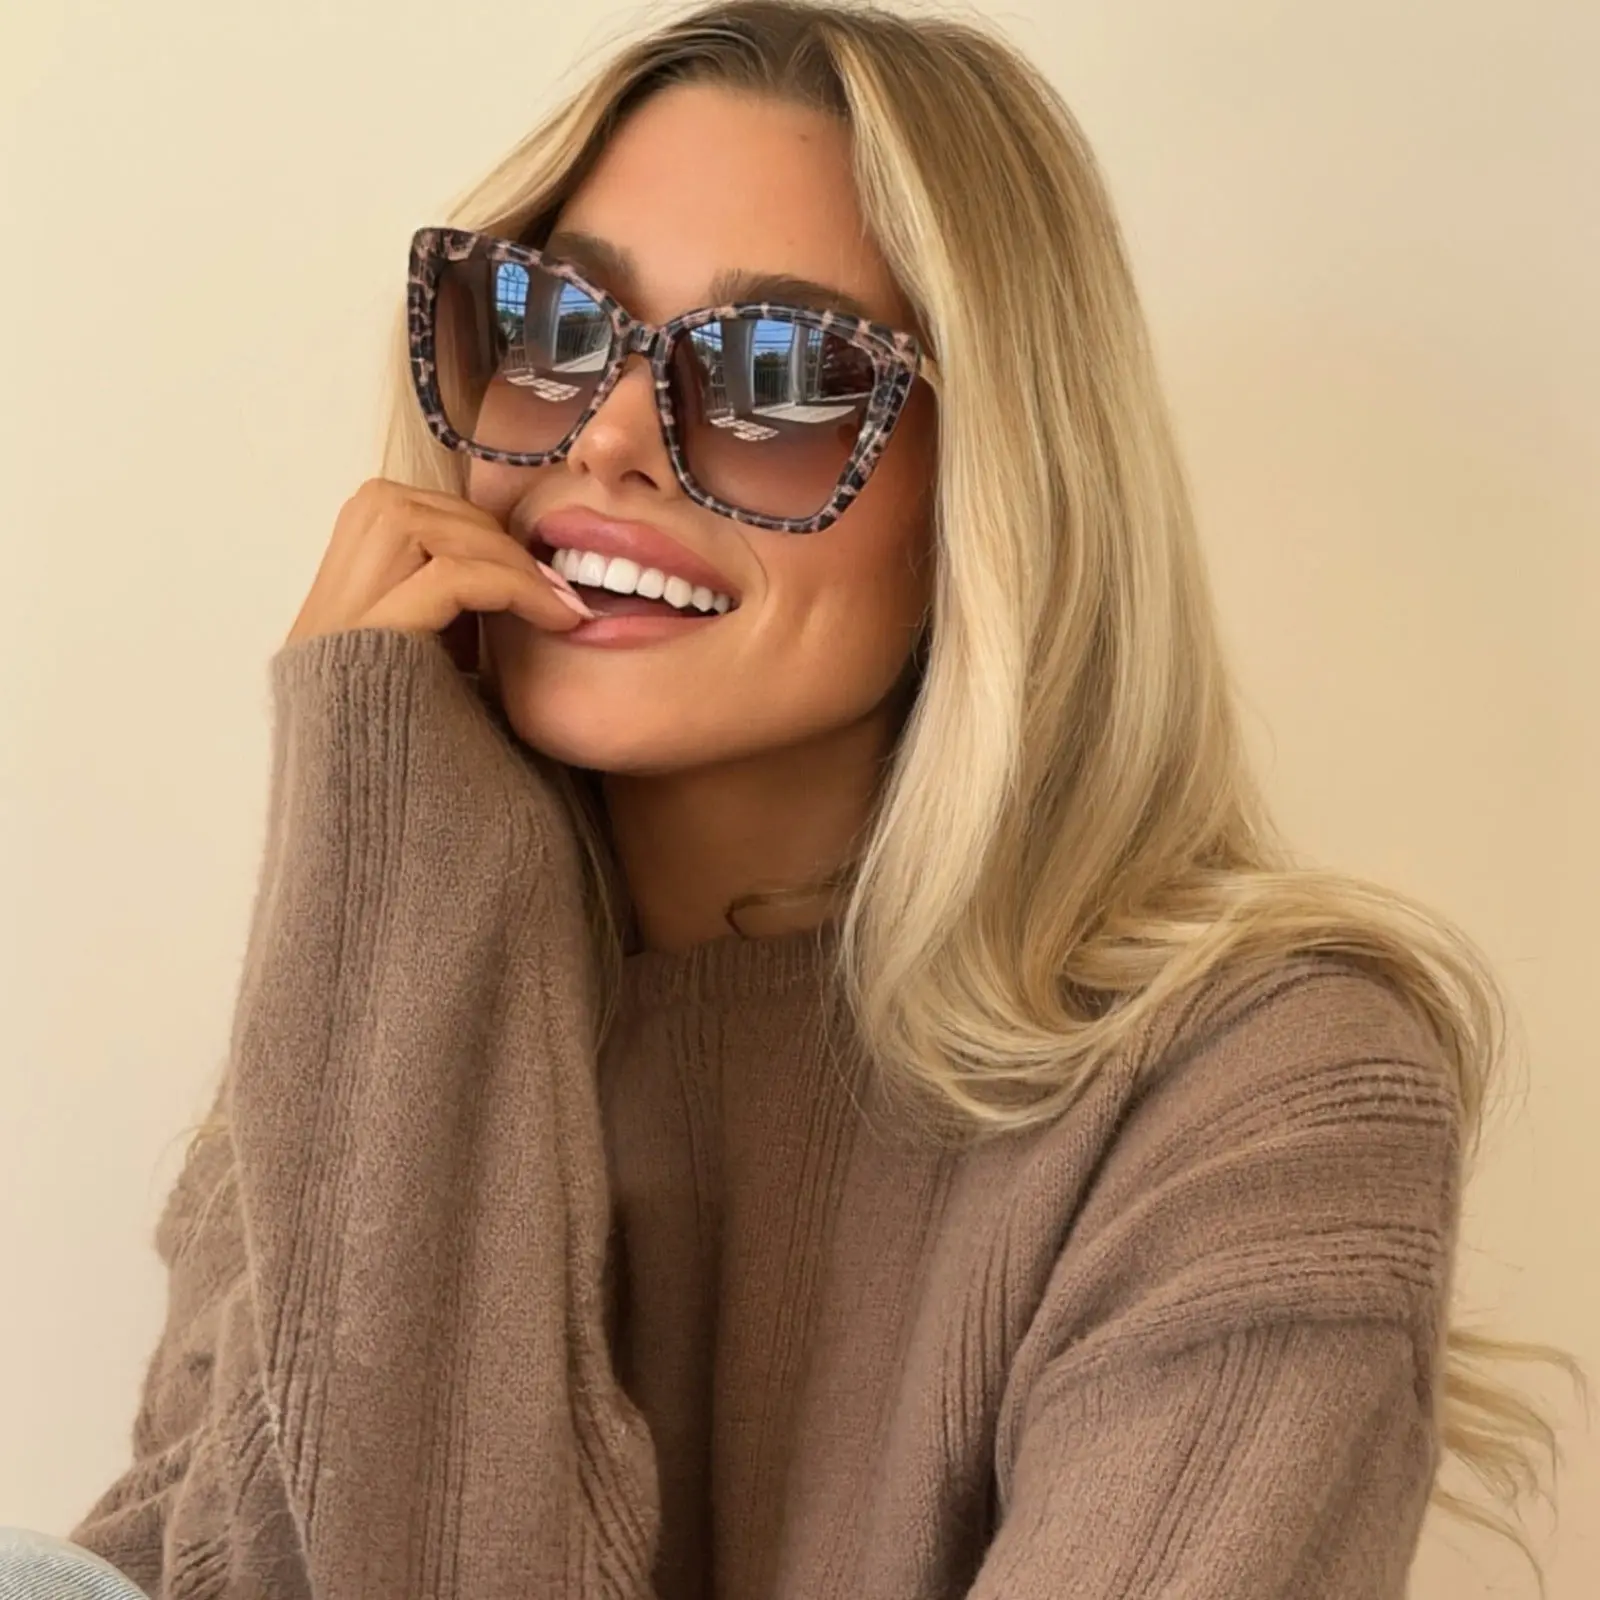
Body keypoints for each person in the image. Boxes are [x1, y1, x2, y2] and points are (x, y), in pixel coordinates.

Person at [35, 2, 1563, 1596]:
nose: (608, 436)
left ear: (992, 498)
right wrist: (389, 890)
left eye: (775, 378)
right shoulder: (372, 1045)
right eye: (553, 329)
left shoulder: (1251, 1096)